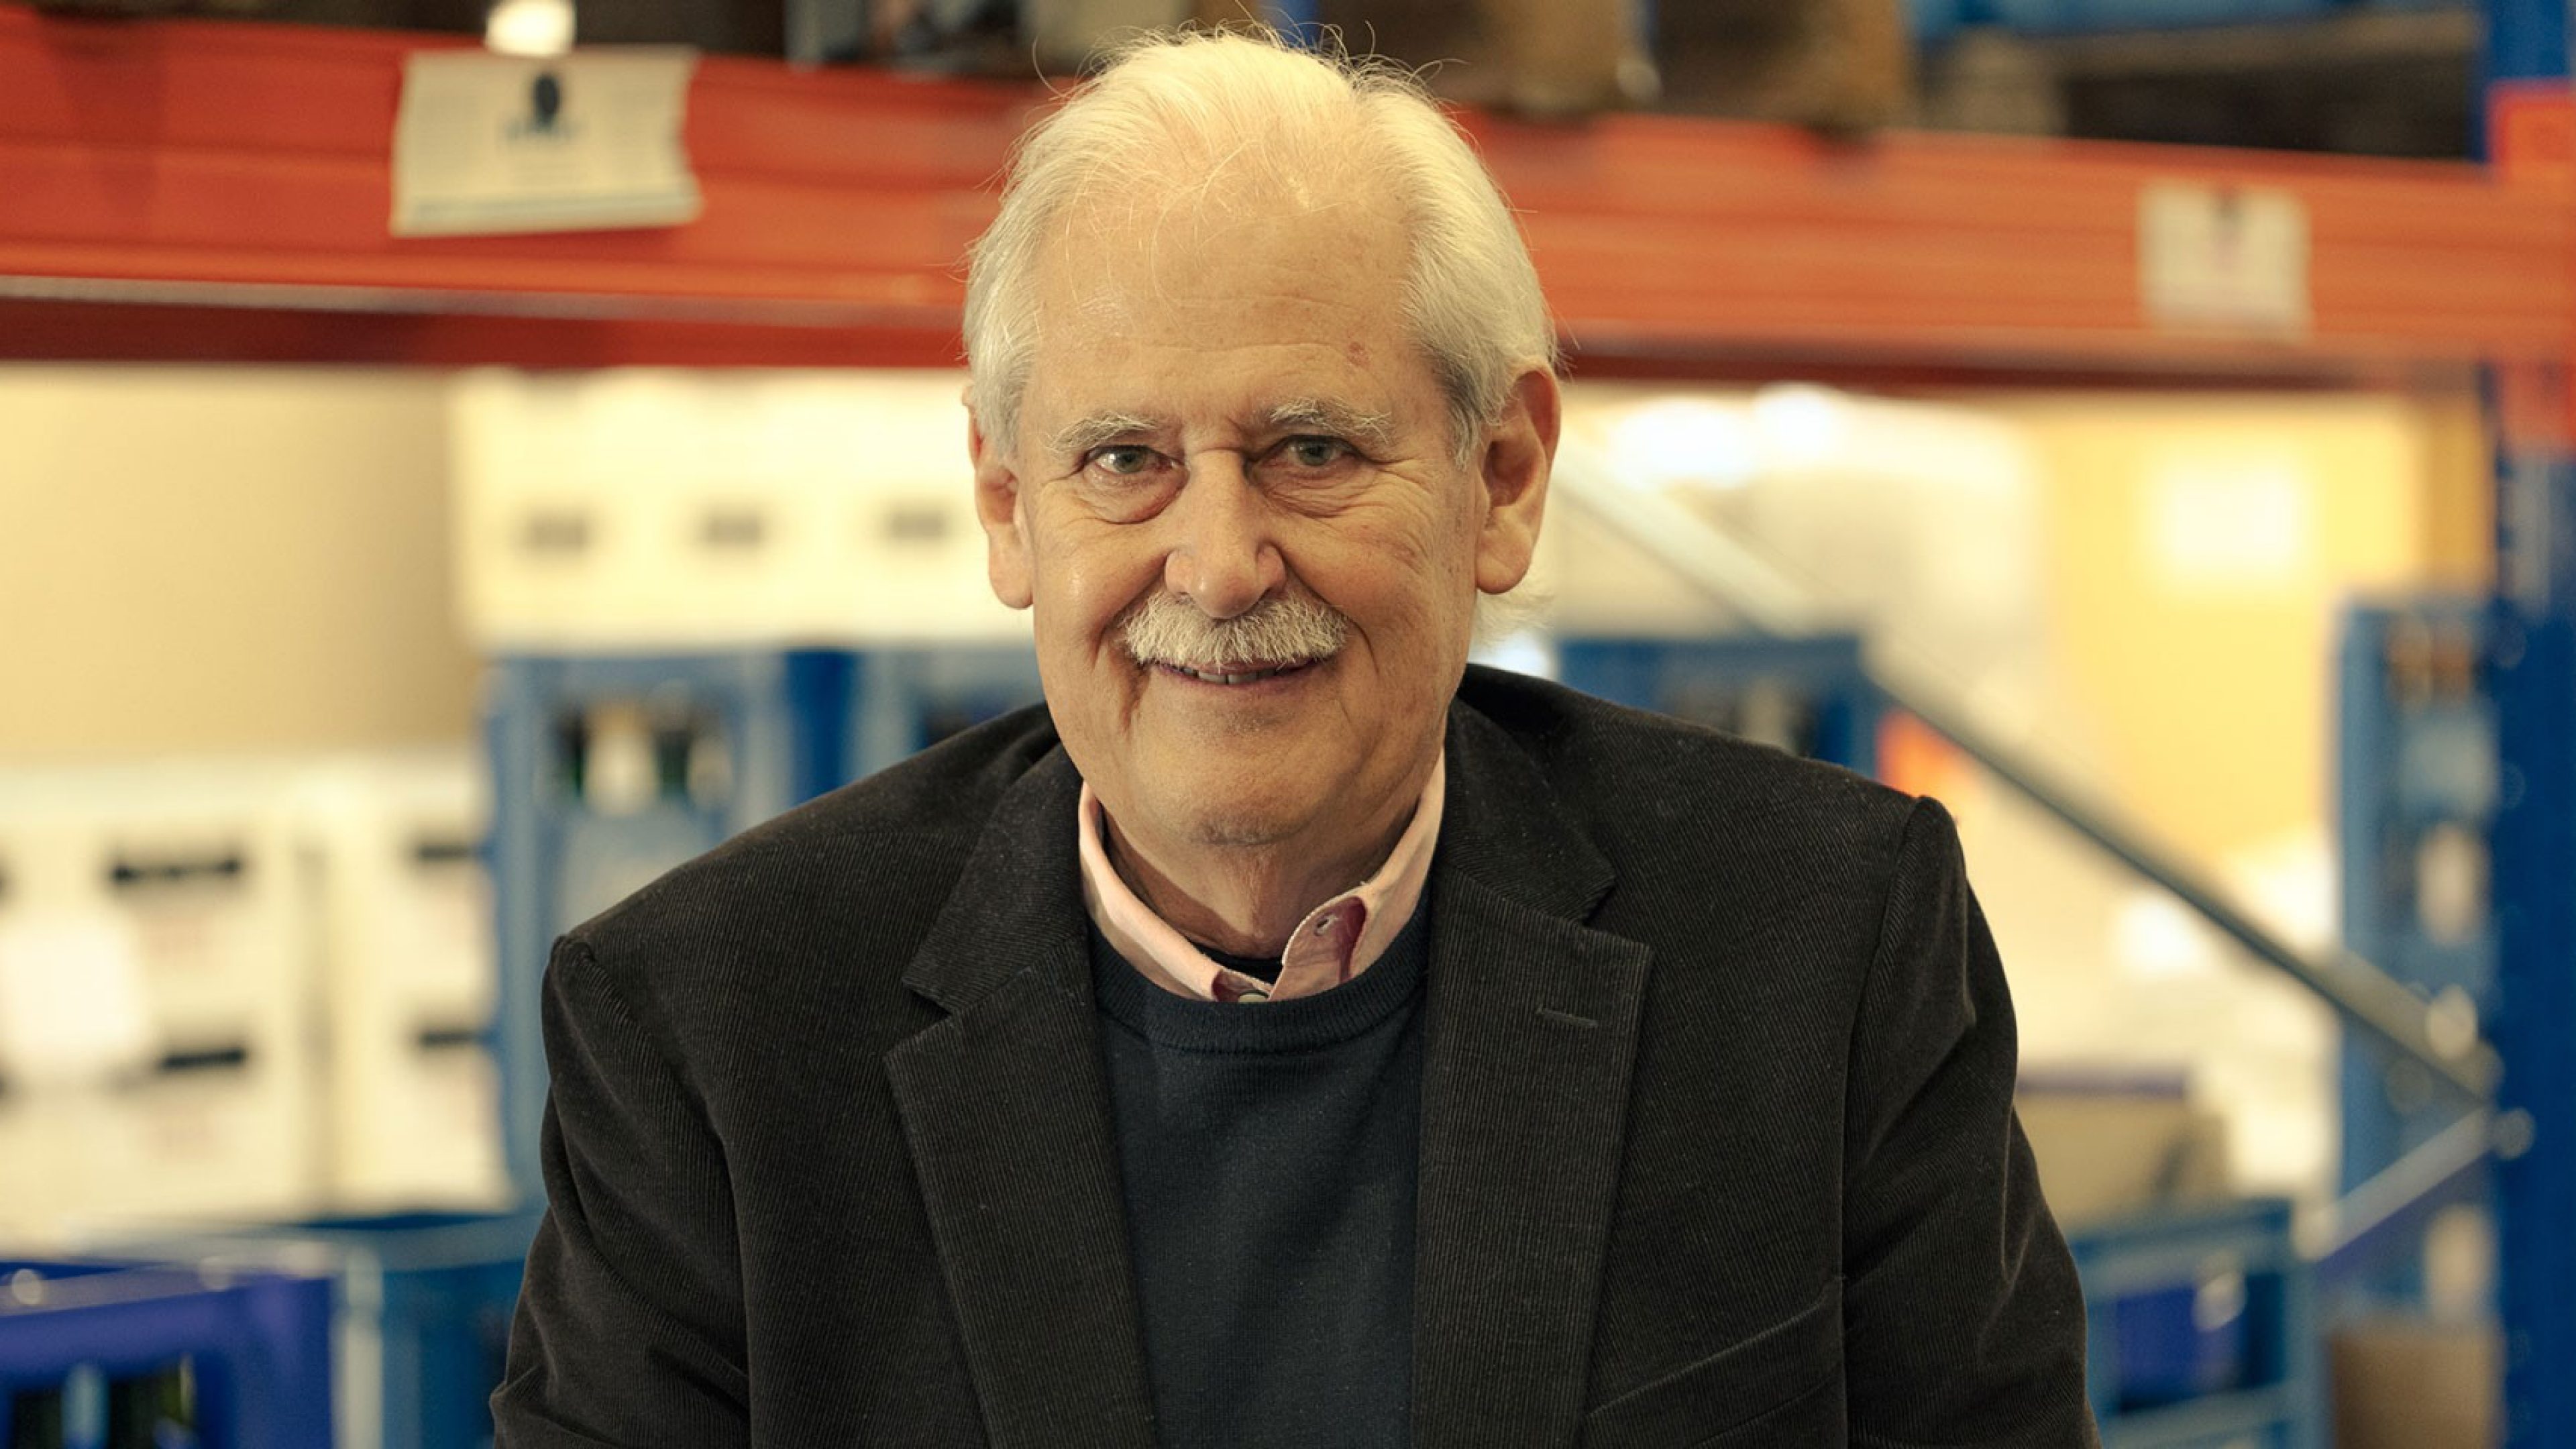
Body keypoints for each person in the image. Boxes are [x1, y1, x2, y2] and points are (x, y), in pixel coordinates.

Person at [493, 28, 2096, 1449]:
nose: (1216, 564)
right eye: (1123, 459)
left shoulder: (1823, 947)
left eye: (1312, 449)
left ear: (1505, 475)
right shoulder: (710, 1034)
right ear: (1006, 507)